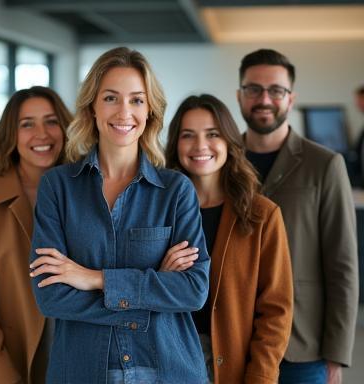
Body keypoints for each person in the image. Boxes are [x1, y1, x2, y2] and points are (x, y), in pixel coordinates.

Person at [28, 47, 210, 384]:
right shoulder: (57, 187)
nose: (124, 111)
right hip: (81, 372)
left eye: (137, 100)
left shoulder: (175, 190)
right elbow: (51, 296)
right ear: (92, 107)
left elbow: (192, 289)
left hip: (168, 371)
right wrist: (152, 290)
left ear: (149, 110)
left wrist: (93, 278)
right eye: (111, 98)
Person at [237, 48, 359, 384]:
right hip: (233, 338)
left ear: (291, 99)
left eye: (276, 90)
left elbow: (343, 266)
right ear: (239, 95)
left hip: (302, 343)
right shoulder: (222, 160)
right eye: (253, 89)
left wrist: (337, 354)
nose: (265, 99)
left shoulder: (324, 165)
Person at [165, 94, 293, 383]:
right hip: (165, 360)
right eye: (188, 135)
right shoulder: (157, 212)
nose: (200, 146)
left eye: (213, 134)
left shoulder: (262, 215)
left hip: (232, 366)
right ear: (176, 144)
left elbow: (276, 312)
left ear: (229, 142)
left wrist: (261, 377)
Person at [0, 86, 72, 384]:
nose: (41, 134)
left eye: (51, 121)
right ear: (11, 133)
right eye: (27, 124)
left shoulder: (91, 191)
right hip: (12, 360)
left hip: (78, 356)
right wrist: (0, 377)